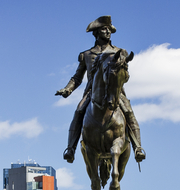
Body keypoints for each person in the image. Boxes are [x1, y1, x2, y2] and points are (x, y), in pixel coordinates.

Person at [56, 16, 145, 164]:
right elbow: (77, 77)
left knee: (129, 112)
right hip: (93, 93)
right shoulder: (87, 55)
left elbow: (125, 75)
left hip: (115, 92)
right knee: (78, 112)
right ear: (96, 32)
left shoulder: (120, 51)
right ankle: (70, 148)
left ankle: (138, 148)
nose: (108, 32)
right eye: (104, 29)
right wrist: (67, 89)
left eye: (109, 30)